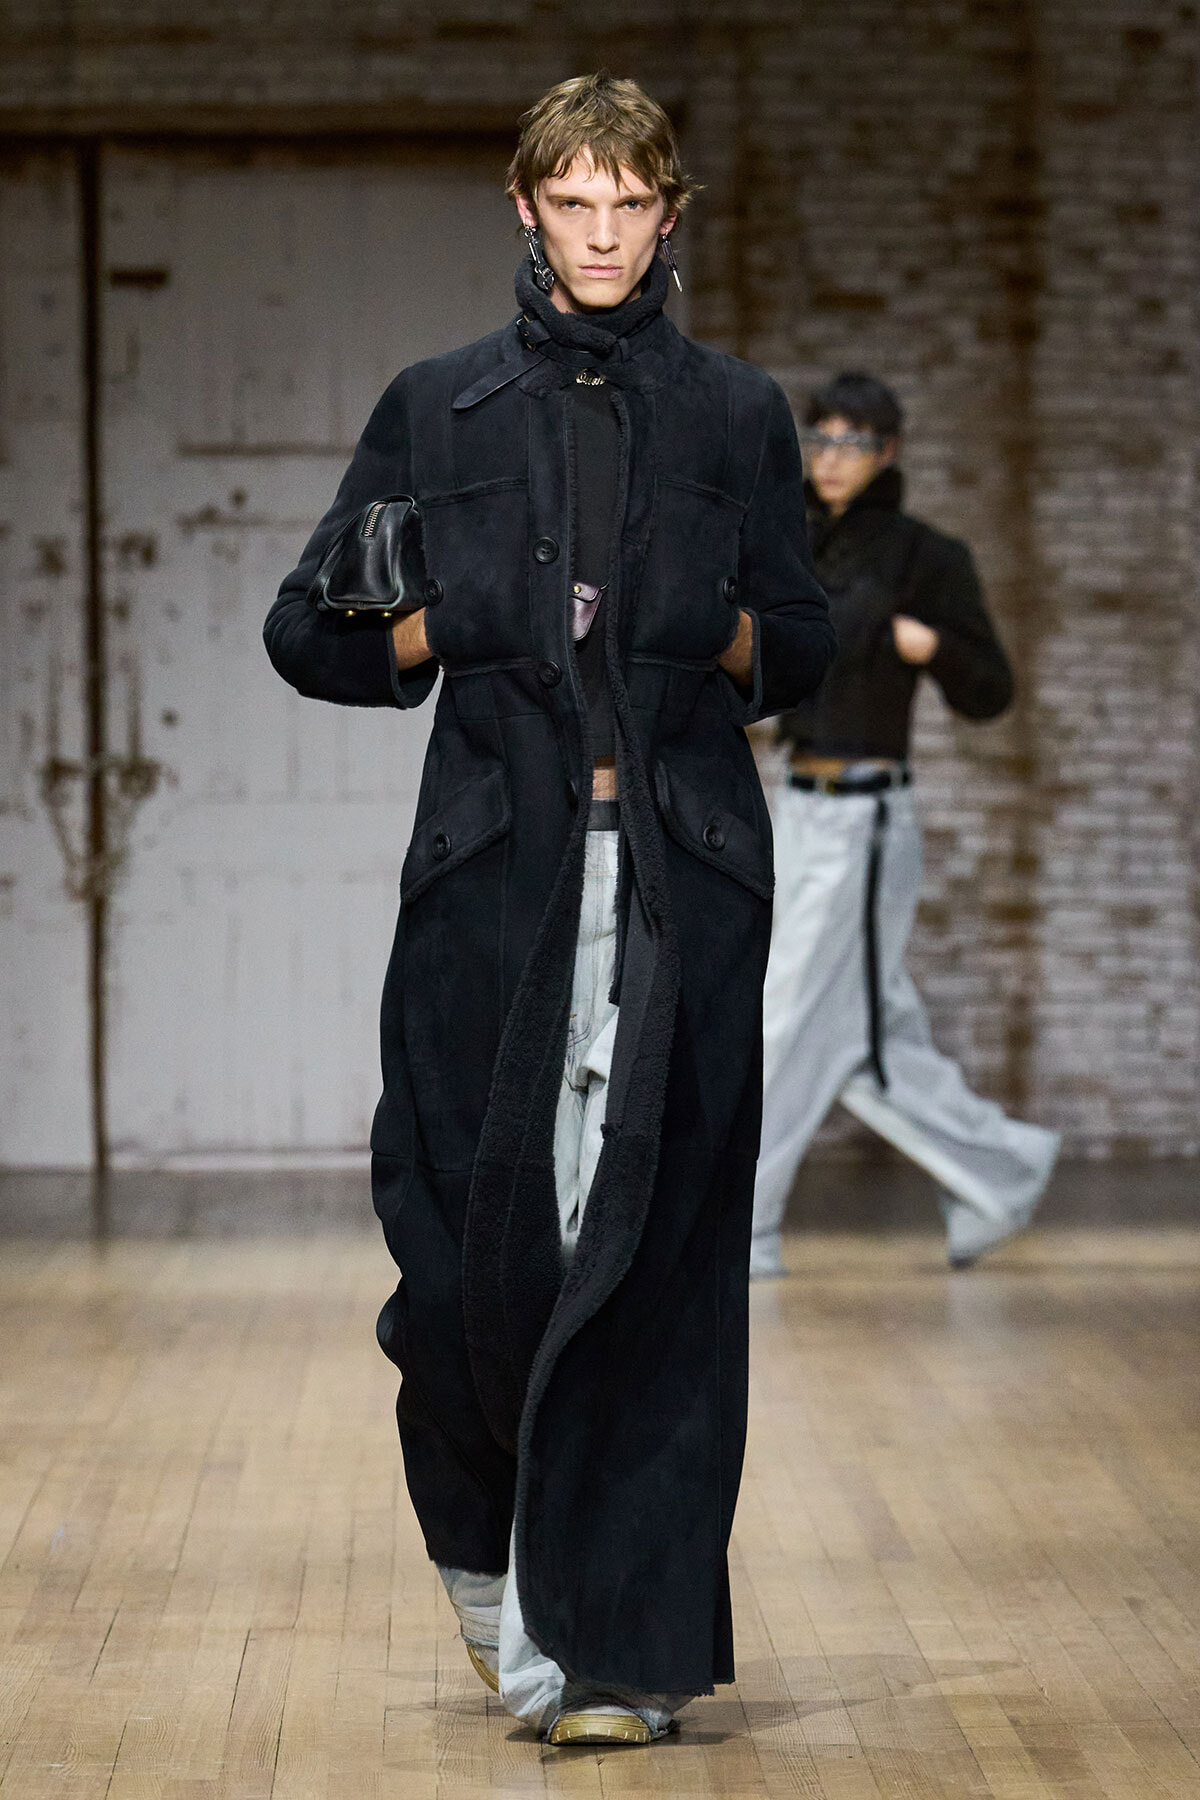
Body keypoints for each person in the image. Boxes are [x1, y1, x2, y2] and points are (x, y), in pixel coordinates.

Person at [264, 74, 834, 1745]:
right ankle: (488, 1566)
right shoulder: (438, 408)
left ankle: (615, 1660)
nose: (601, 234)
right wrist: (445, 628)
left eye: (629, 205)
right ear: (525, 208)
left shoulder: (736, 414)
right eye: (572, 204)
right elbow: (305, 636)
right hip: (488, 883)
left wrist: (714, 631)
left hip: (680, 878)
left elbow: (802, 641)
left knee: (653, 1266)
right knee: (457, 1261)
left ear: (670, 213)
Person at [750, 371, 1060, 1281]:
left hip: (866, 818)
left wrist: (935, 646)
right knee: (866, 1036)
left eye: (851, 442)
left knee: (786, 1018)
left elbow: (992, 689)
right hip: (795, 806)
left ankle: (741, 1225)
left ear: (885, 453)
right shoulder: (789, 543)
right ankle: (1003, 1170)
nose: (831, 459)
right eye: (820, 438)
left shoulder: (926, 556)